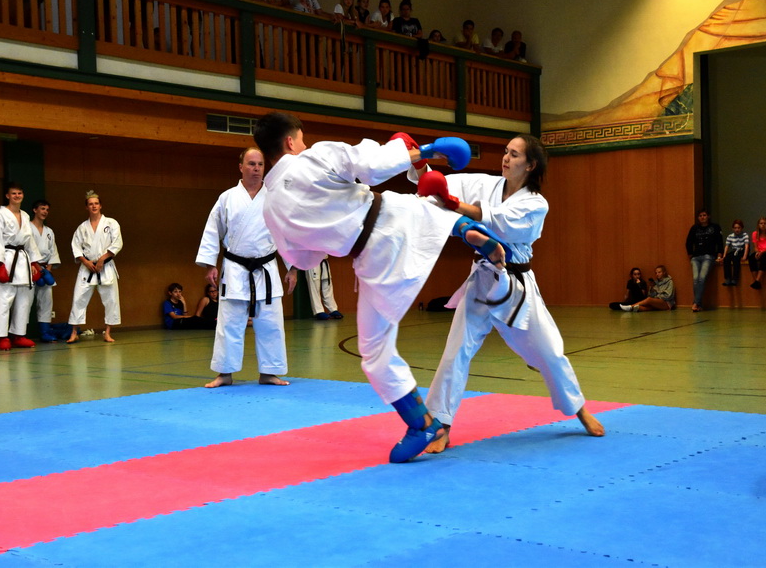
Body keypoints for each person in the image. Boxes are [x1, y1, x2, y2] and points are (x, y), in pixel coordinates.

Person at [255, 111, 505, 463]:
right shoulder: (311, 158)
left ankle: (422, 424)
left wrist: (326, 228)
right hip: (392, 214)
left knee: (374, 352)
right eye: (302, 139)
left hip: (371, 260)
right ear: (289, 142)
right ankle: (461, 227)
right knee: (424, 211)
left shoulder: (270, 209)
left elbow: (306, 260)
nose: (305, 144)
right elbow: (371, 164)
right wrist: (425, 150)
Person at [416, 134, 604, 455]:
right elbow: (442, 184)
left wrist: (450, 204)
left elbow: (499, 223)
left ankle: (579, 408)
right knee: (456, 350)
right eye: (505, 152)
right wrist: (420, 162)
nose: (505, 158)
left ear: (530, 165)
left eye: (514, 155)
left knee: (549, 352)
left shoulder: (536, 203)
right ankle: (441, 426)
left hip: (517, 285)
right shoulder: (487, 184)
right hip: (481, 279)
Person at [196, 147, 297, 388]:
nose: (256, 169)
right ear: (241, 167)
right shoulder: (227, 197)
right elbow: (213, 231)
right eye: (251, 164)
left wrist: (292, 267)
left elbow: (286, 234)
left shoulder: (274, 198)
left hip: (267, 268)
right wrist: (210, 263)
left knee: (271, 324)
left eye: (260, 164)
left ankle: (269, 372)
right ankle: (224, 373)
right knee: (229, 323)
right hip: (234, 268)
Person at [0, 183, 43, 351]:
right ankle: (2, 337)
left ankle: (19, 335)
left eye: (19, 193)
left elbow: (30, 240)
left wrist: (34, 262)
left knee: (23, 301)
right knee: (3, 301)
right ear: (7, 196)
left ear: (23, 195)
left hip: (22, 260)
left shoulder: (25, 216)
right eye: (13, 193)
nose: (17, 196)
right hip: (6, 258)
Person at [66, 190, 123, 343]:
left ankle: (108, 332)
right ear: (86, 207)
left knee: (111, 300)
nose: (94, 206)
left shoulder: (111, 223)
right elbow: (75, 247)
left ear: (101, 205)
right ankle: (74, 332)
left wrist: (102, 259)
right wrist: (86, 262)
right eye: (90, 204)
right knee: (78, 298)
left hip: (106, 267)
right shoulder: (82, 228)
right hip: (87, 267)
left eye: (96, 203)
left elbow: (117, 243)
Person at [30, 199, 68, 343]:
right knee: (25, 302)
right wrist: (36, 267)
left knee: (46, 302)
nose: (45, 212)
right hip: (30, 268)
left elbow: (53, 252)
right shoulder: (27, 228)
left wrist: (48, 270)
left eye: (47, 209)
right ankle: (19, 334)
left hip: (45, 269)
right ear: (35, 210)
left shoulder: (49, 231)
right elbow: (26, 249)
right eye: (42, 209)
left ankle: (45, 332)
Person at [685, 209, 723, 312]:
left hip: (709, 256)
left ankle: (696, 303)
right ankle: (699, 305)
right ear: (698, 218)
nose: (702, 217)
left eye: (704, 215)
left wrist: (719, 255)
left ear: (708, 216)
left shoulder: (715, 227)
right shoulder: (694, 228)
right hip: (696, 257)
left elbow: (720, 242)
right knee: (696, 279)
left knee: (702, 278)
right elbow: (688, 242)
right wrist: (690, 254)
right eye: (700, 216)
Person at [306, 255, 342, 320]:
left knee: (327, 284)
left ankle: (332, 309)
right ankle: (318, 311)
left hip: (324, 260)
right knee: (314, 287)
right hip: (312, 261)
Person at [747, 216, 766, 289]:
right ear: (758, 225)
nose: (763, 225)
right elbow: (755, 247)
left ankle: (758, 280)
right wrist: (757, 252)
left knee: (764, 257)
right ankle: (756, 281)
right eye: (761, 223)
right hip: (760, 251)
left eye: (765, 223)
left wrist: (761, 252)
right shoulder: (755, 234)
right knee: (751, 258)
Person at [721, 219, 749, 286]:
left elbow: (747, 246)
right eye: (735, 228)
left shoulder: (745, 235)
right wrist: (724, 256)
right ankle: (727, 278)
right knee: (727, 259)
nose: (737, 229)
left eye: (739, 228)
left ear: (741, 228)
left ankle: (735, 279)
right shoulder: (730, 236)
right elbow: (726, 247)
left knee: (736, 259)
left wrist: (745, 256)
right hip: (734, 251)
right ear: (733, 228)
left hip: (741, 251)